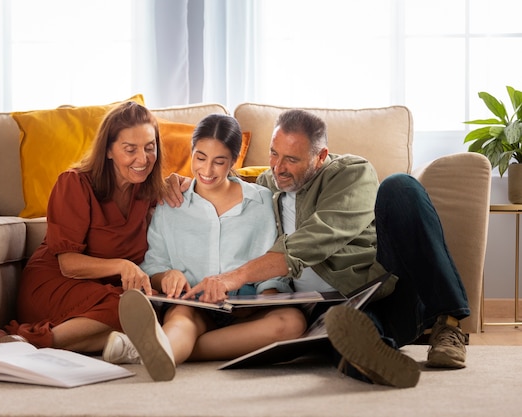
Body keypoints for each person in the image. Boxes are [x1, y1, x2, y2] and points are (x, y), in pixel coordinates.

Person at [165, 109, 469, 388]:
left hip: (379, 290)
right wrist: (183, 182)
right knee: (345, 336)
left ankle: (449, 324)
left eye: (292, 160)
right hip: (331, 312)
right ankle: (375, 354)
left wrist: (235, 277)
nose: (278, 168)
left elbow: (316, 238)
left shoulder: (351, 173)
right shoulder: (266, 185)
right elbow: (222, 181)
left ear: (320, 156)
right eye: (274, 154)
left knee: (401, 186)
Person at [113, 114, 307, 381]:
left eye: (219, 162)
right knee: (181, 319)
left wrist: (269, 294)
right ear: (191, 153)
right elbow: (154, 264)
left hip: (245, 309)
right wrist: (167, 275)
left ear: (234, 161)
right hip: (193, 306)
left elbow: (271, 263)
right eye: (200, 157)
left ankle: (152, 350)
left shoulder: (261, 201)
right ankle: (167, 349)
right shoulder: (172, 202)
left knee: (293, 323)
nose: (206, 170)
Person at [0, 101, 165, 357]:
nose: (143, 159)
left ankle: (116, 342)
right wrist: (123, 265)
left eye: (149, 147)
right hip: (56, 282)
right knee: (131, 307)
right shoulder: (75, 183)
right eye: (130, 149)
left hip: (102, 292)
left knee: (154, 306)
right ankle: (29, 342)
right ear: (109, 150)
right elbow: (68, 264)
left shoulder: (149, 190)